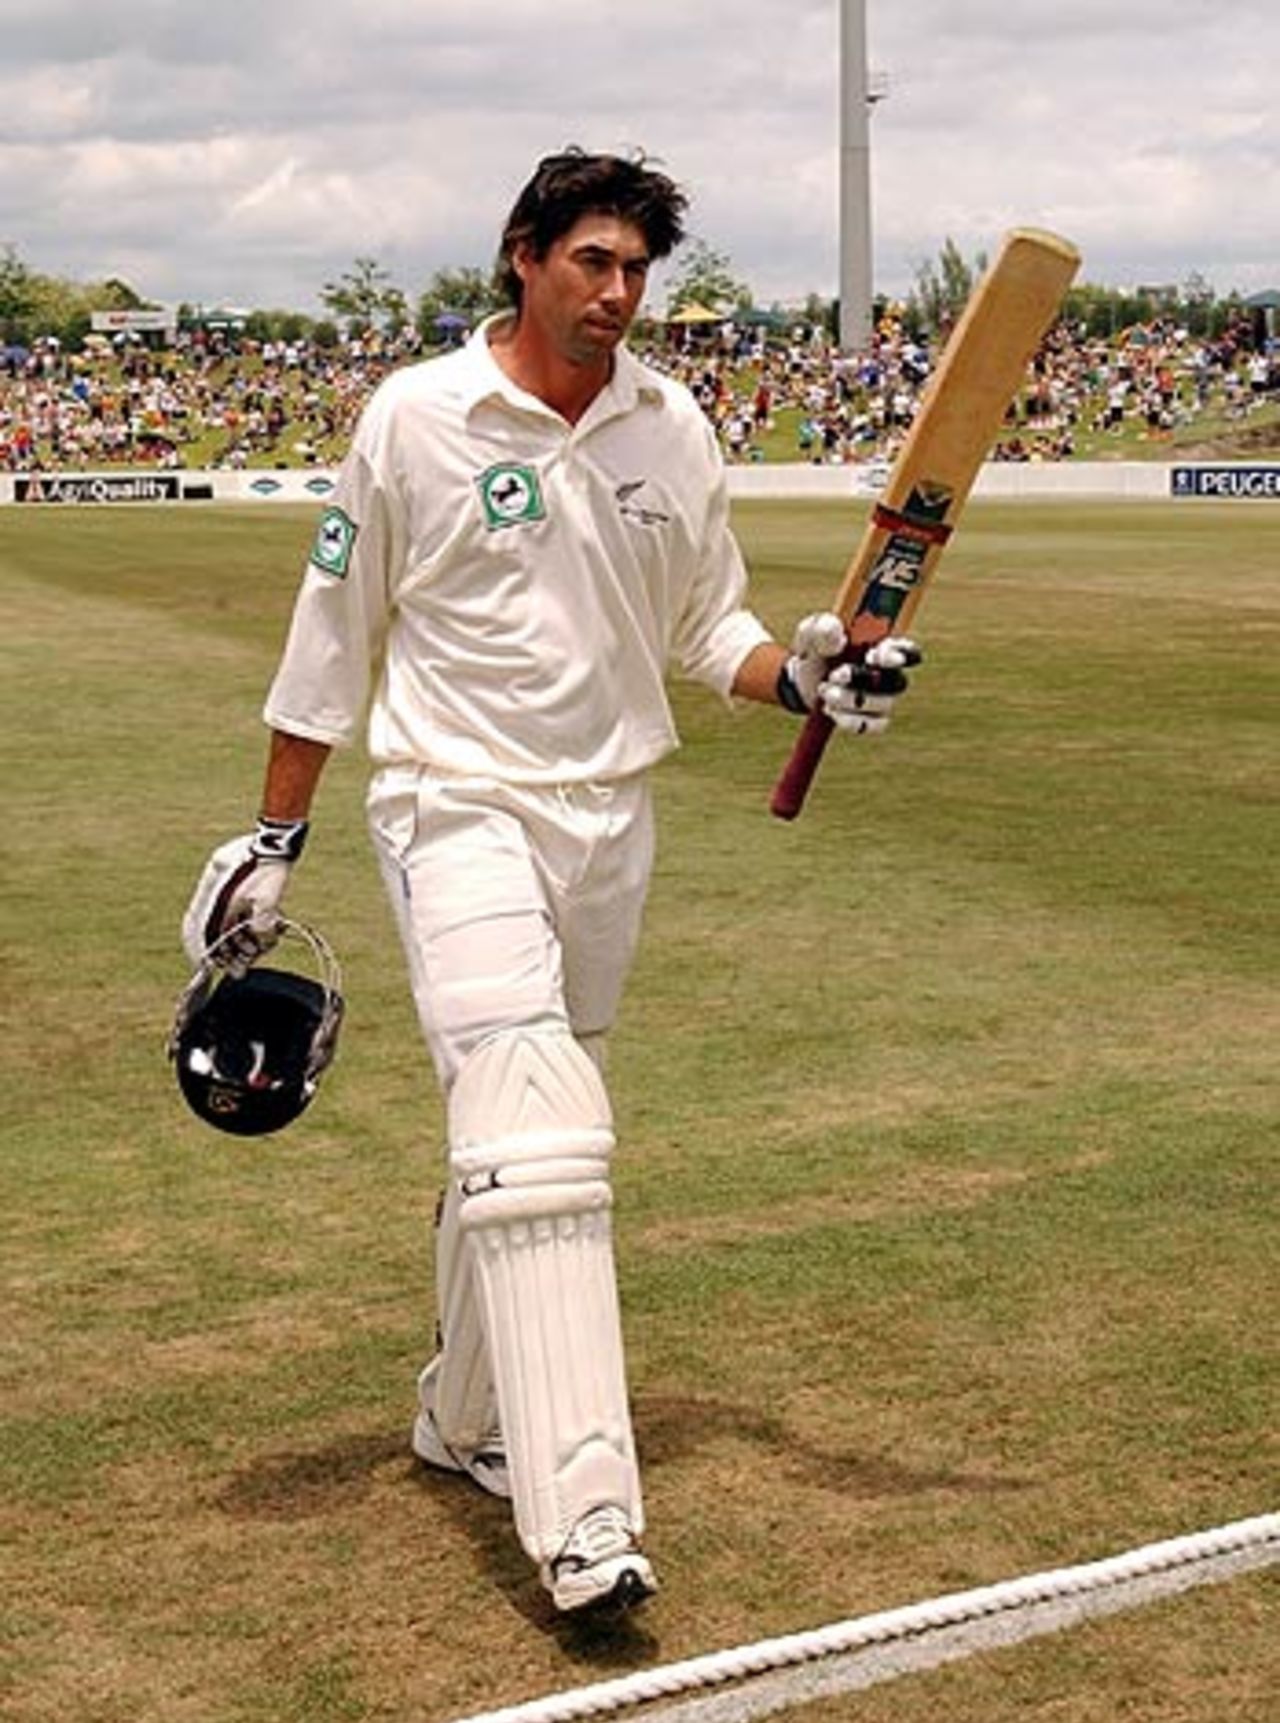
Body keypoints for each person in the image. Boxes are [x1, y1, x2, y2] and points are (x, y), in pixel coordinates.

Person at [183, 148, 919, 1617]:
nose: (620, 293)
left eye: (639, 269)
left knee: (516, 1135)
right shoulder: (418, 418)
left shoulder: (669, 424)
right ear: (523, 256)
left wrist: (816, 685)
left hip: (609, 821)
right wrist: (273, 843)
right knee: (543, 1121)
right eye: (593, 260)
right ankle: (585, 1516)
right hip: (452, 804)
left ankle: (459, 1419)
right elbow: (326, 648)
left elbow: (714, 632)